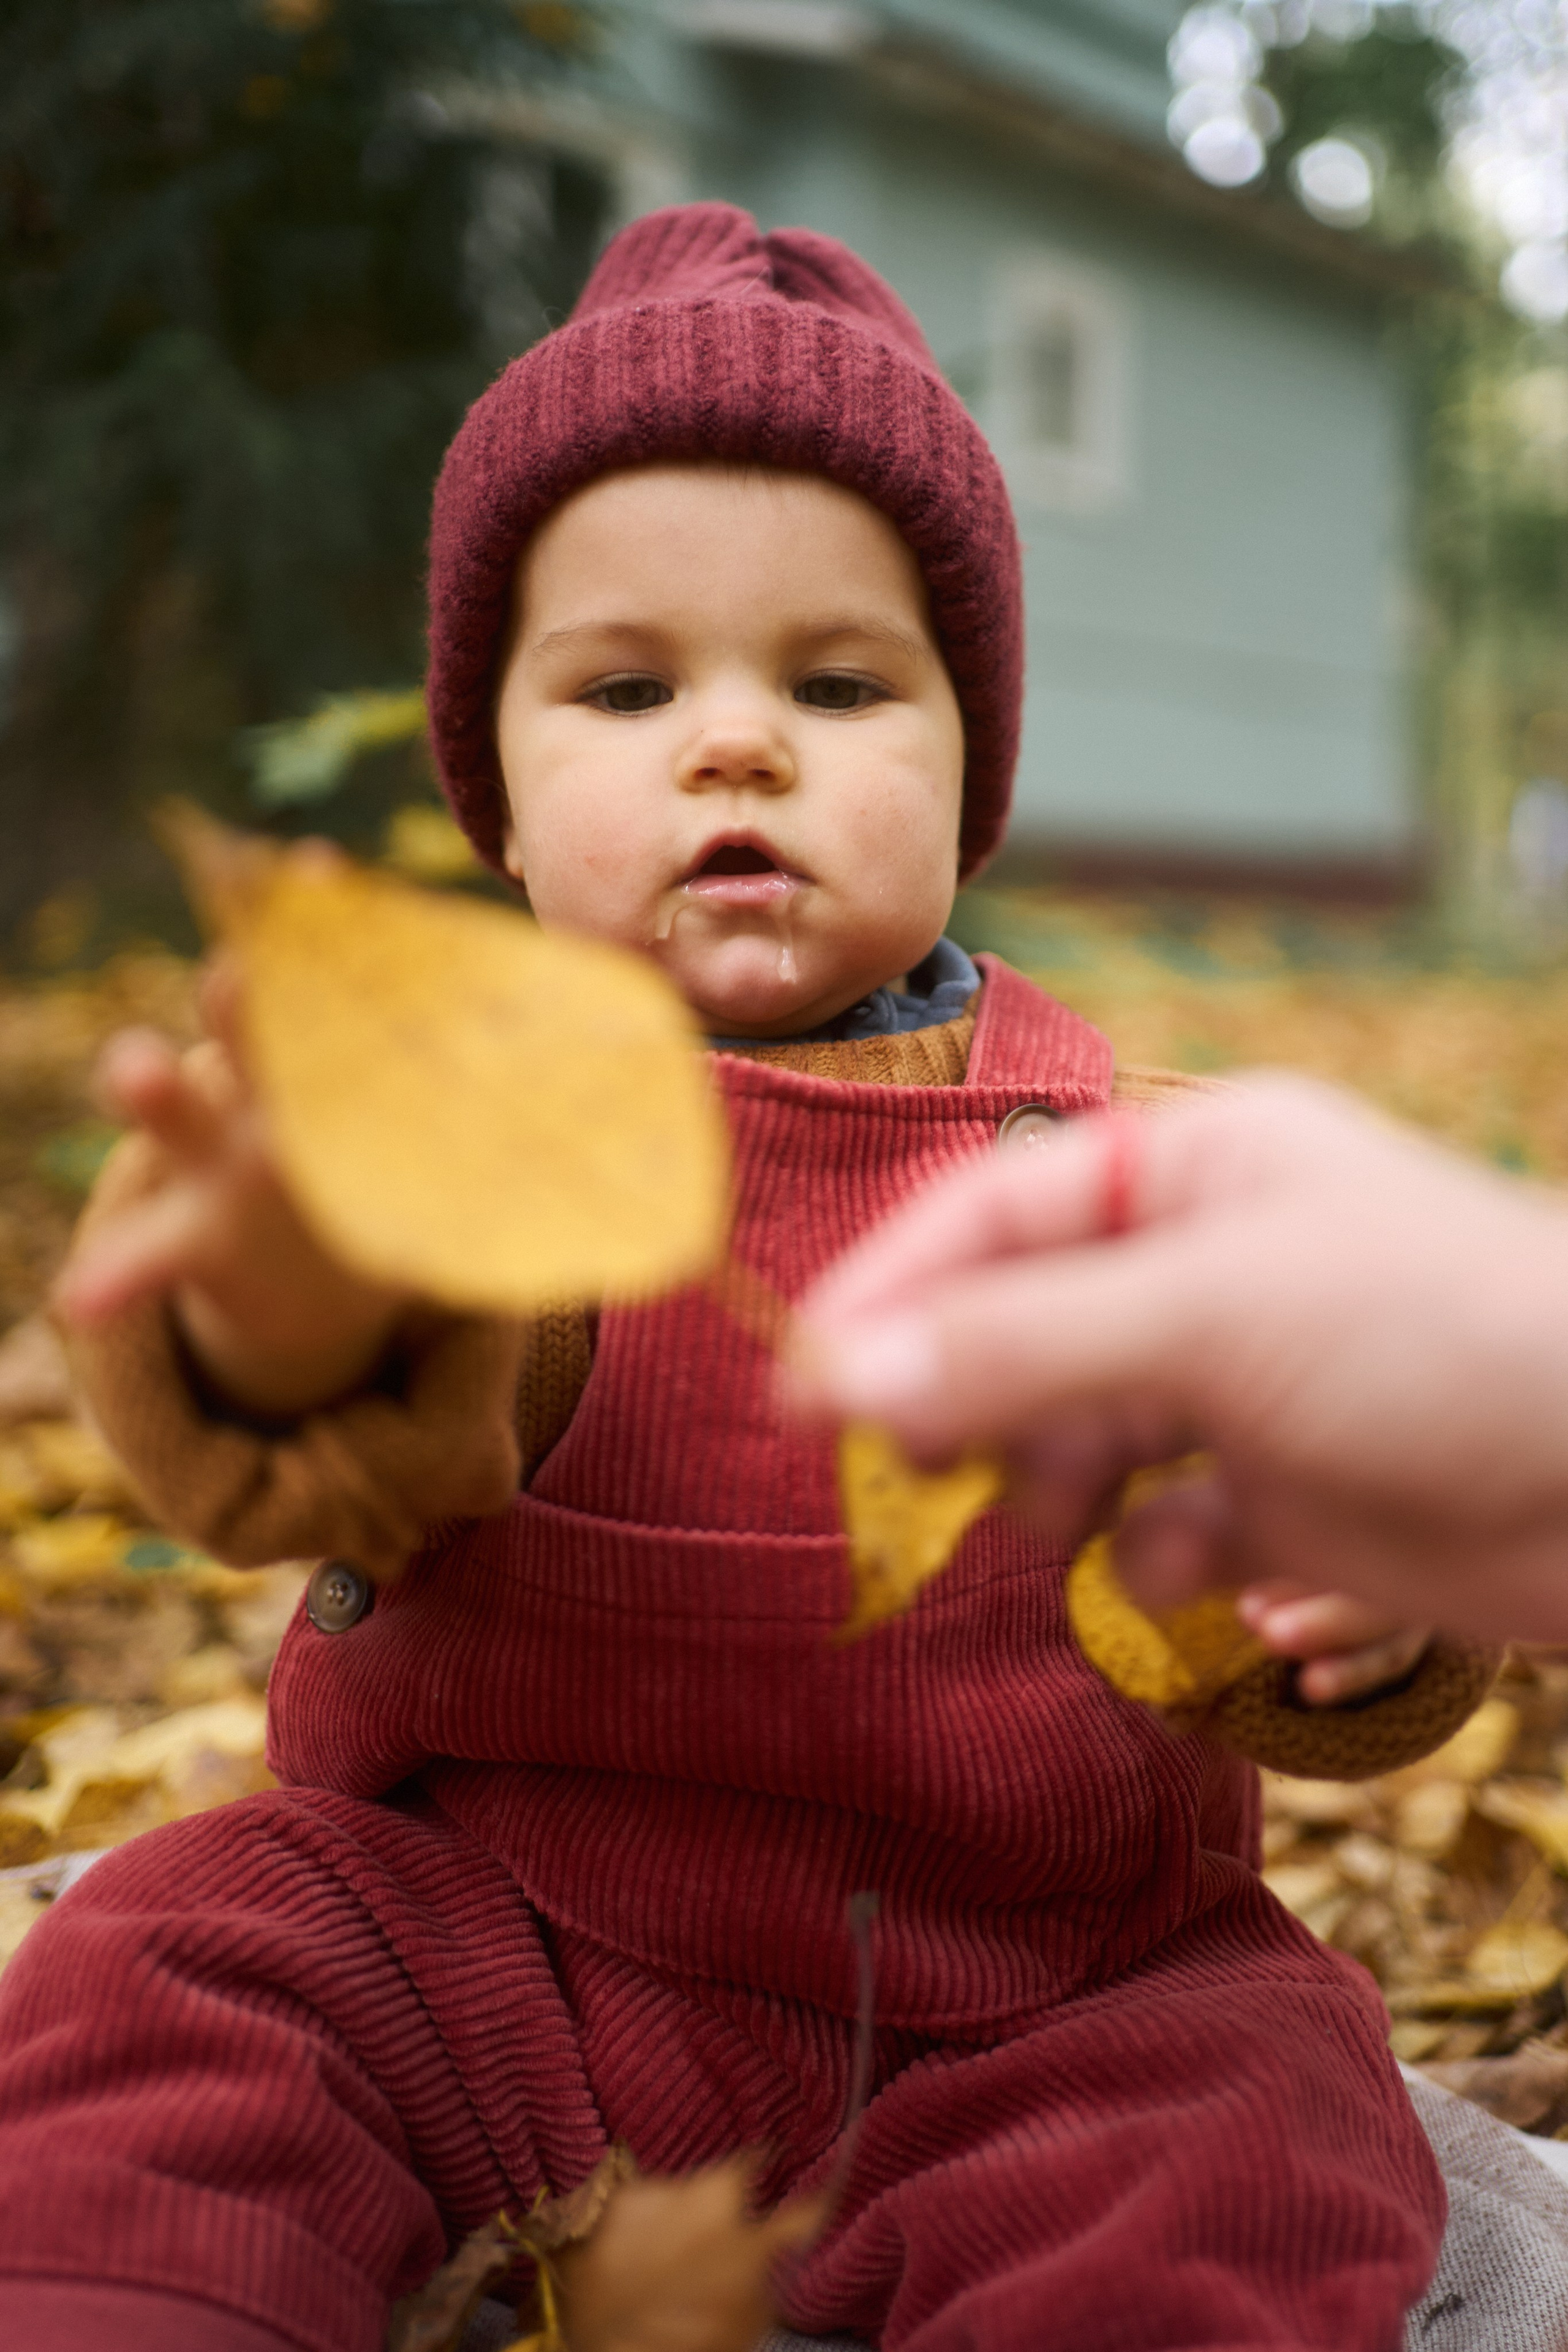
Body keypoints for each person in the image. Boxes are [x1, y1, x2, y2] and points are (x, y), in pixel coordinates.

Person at [0, 205, 1482, 2352]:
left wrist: (1351, 1599)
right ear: (495, 797)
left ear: (969, 772)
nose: (733, 745)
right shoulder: (481, 1123)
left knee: (1266, 2114)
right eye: (624, 688)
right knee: (180, 1966)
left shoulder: (1144, 1167)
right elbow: (362, 1406)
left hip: (1035, 2005)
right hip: (486, 1951)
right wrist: (285, 1286)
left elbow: (1293, 1552)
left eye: (838, 684)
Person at [793, 1069, 1568, 1650]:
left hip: (1113, 1855)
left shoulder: (1143, 1151)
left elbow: (1233, 1537)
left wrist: (1389, 1594)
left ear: (966, 846)